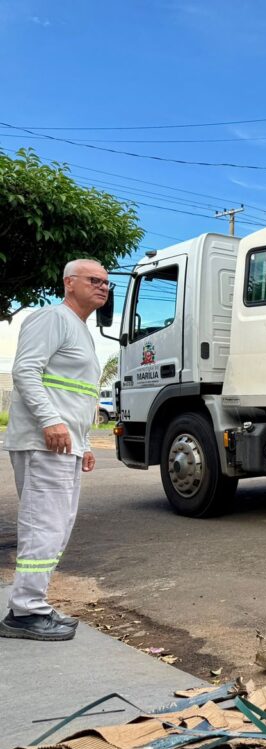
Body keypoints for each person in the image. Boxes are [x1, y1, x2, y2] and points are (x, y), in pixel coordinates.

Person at [0, 259, 109, 641]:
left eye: (106, 282)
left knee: (56, 526)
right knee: (43, 526)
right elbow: (25, 372)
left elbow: (73, 394)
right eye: (94, 280)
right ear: (69, 283)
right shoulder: (51, 319)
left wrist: (82, 443)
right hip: (42, 443)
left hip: (62, 446)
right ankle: (25, 613)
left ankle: (34, 605)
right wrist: (51, 422)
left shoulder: (79, 331)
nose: (103, 287)